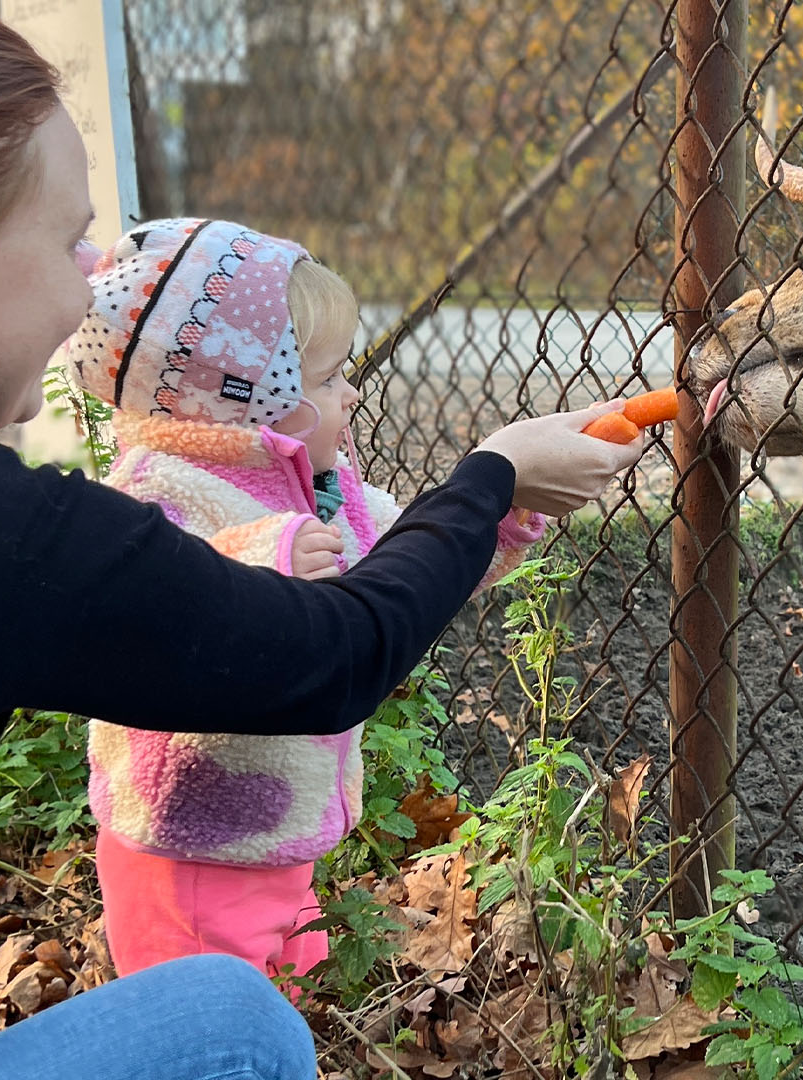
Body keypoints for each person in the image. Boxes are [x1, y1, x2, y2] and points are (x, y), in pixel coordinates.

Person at [0, 2, 646, 1078]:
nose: (86, 289)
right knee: (231, 1025)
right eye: (69, 242)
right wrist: (491, 480)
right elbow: (327, 658)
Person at [63, 218, 546, 983]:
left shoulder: (329, 489)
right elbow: (164, 600)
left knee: (271, 1002)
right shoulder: (160, 486)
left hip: (276, 833)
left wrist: (495, 522)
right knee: (200, 1031)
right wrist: (265, 559)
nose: (350, 392)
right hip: (187, 849)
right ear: (239, 396)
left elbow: (411, 567)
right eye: (324, 379)